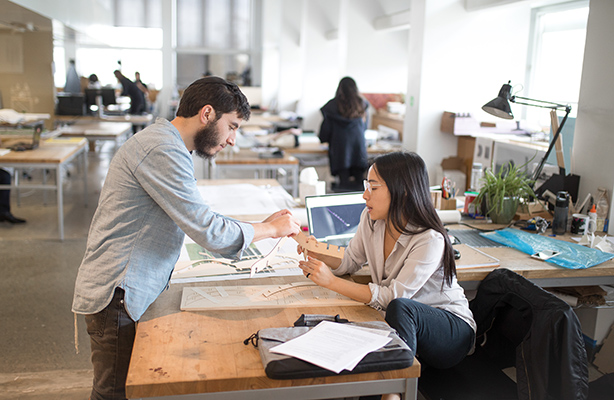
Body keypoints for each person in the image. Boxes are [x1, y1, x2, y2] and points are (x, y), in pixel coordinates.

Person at [72, 76, 301, 400]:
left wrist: (259, 225)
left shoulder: (165, 143)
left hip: (126, 290)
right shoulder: (162, 149)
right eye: (232, 126)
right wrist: (272, 230)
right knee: (114, 393)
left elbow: (199, 215)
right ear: (207, 114)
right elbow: (209, 231)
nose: (233, 139)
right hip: (118, 294)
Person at [298, 151, 476, 373]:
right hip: (403, 324)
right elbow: (351, 260)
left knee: (401, 308)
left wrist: (331, 282)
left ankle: (393, 391)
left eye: (373, 187)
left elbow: (393, 297)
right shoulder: (372, 219)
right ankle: (386, 388)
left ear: (403, 192)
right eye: (366, 186)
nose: (365, 195)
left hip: (449, 330)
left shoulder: (429, 239)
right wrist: (317, 252)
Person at [319, 77, 369, 192]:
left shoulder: (332, 106)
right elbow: (365, 127)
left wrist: (323, 139)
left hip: (340, 152)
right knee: (360, 186)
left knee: (343, 187)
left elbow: (325, 132)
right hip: (358, 150)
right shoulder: (362, 104)